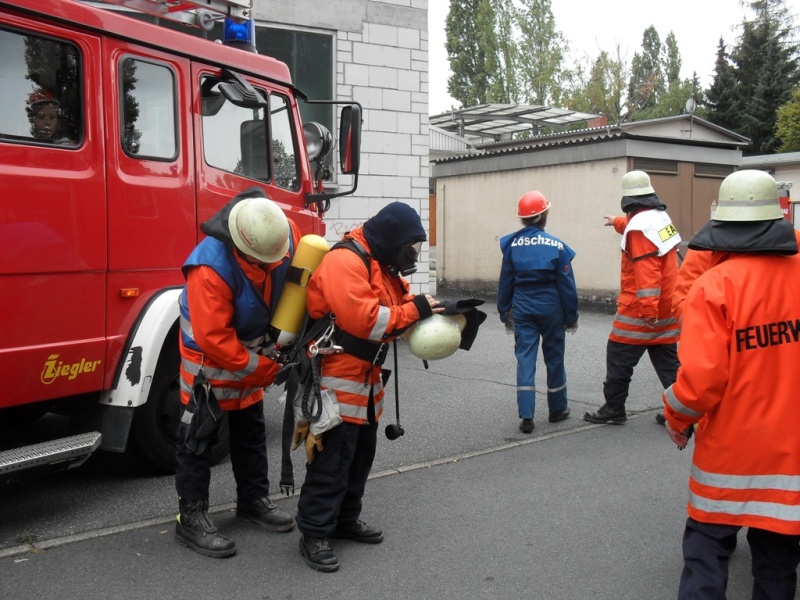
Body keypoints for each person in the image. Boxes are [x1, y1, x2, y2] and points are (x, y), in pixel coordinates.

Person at [662, 169, 800, 599]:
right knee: (777, 563)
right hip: (789, 459)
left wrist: (675, 417)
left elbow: (701, 382)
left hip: (728, 458)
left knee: (706, 550)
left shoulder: (713, 286)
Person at [294, 202, 442, 572]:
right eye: (410, 246)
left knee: (358, 459)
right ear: (392, 238)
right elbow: (368, 322)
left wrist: (435, 308)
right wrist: (417, 310)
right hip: (338, 381)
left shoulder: (379, 263)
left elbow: (401, 302)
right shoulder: (346, 261)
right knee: (331, 462)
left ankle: (344, 521)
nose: (412, 254)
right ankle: (313, 533)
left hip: (366, 384)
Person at [174, 187, 297, 558]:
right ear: (240, 244)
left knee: (251, 430)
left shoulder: (277, 231)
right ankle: (190, 517)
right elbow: (213, 337)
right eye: (260, 260)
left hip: (250, 353)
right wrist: (261, 369)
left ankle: (253, 500)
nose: (268, 265)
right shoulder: (209, 267)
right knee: (198, 437)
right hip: (207, 364)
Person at [584, 170, 681, 425]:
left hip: (640, 313)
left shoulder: (639, 228)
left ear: (628, 199)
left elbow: (648, 272)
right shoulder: (659, 218)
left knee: (618, 359)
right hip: (668, 308)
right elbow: (642, 234)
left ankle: (614, 408)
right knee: (669, 366)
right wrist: (616, 221)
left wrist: (648, 312)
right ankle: (682, 412)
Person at [497, 190, 578, 433]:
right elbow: (567, 286)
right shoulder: (557, 245)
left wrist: (505, 313)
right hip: (551, 308)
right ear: (544, 216)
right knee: (554, 359)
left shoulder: (511, 245)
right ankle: (557, 410)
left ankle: (527, 416)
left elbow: (505, 282)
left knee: (525, 359)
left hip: (523, 308)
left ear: (522, 219)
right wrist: (571, 317)